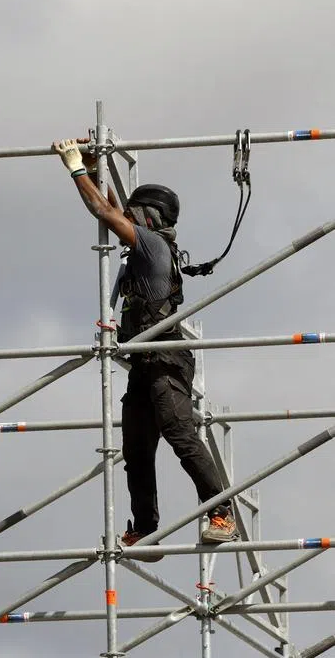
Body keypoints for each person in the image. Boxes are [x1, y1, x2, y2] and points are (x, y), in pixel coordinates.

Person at [52, 138, 238, 559]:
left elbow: (104, 212)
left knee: (179, 432)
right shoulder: (151, 243)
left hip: (165, 359)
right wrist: (94, 166)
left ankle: (221, 512)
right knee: (136, 447)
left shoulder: (153, 246)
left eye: (135, 215)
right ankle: (147, 529)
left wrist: (75, 169)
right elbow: (113, 209)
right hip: (144, 362)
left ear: (149, 218)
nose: (126, 220)